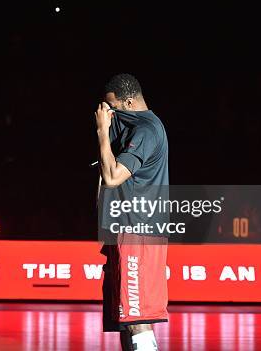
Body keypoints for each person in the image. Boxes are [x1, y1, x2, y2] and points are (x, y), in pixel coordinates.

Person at [95, 74, 169, 351]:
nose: (107, 113)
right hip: (122, 230)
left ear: (128, 101)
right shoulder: (128, 129)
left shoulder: (147, 130)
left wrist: (103, 132)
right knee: (125, 318)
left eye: (112, 107)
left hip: (139, 230)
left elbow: (113, 176)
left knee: (138, 317)